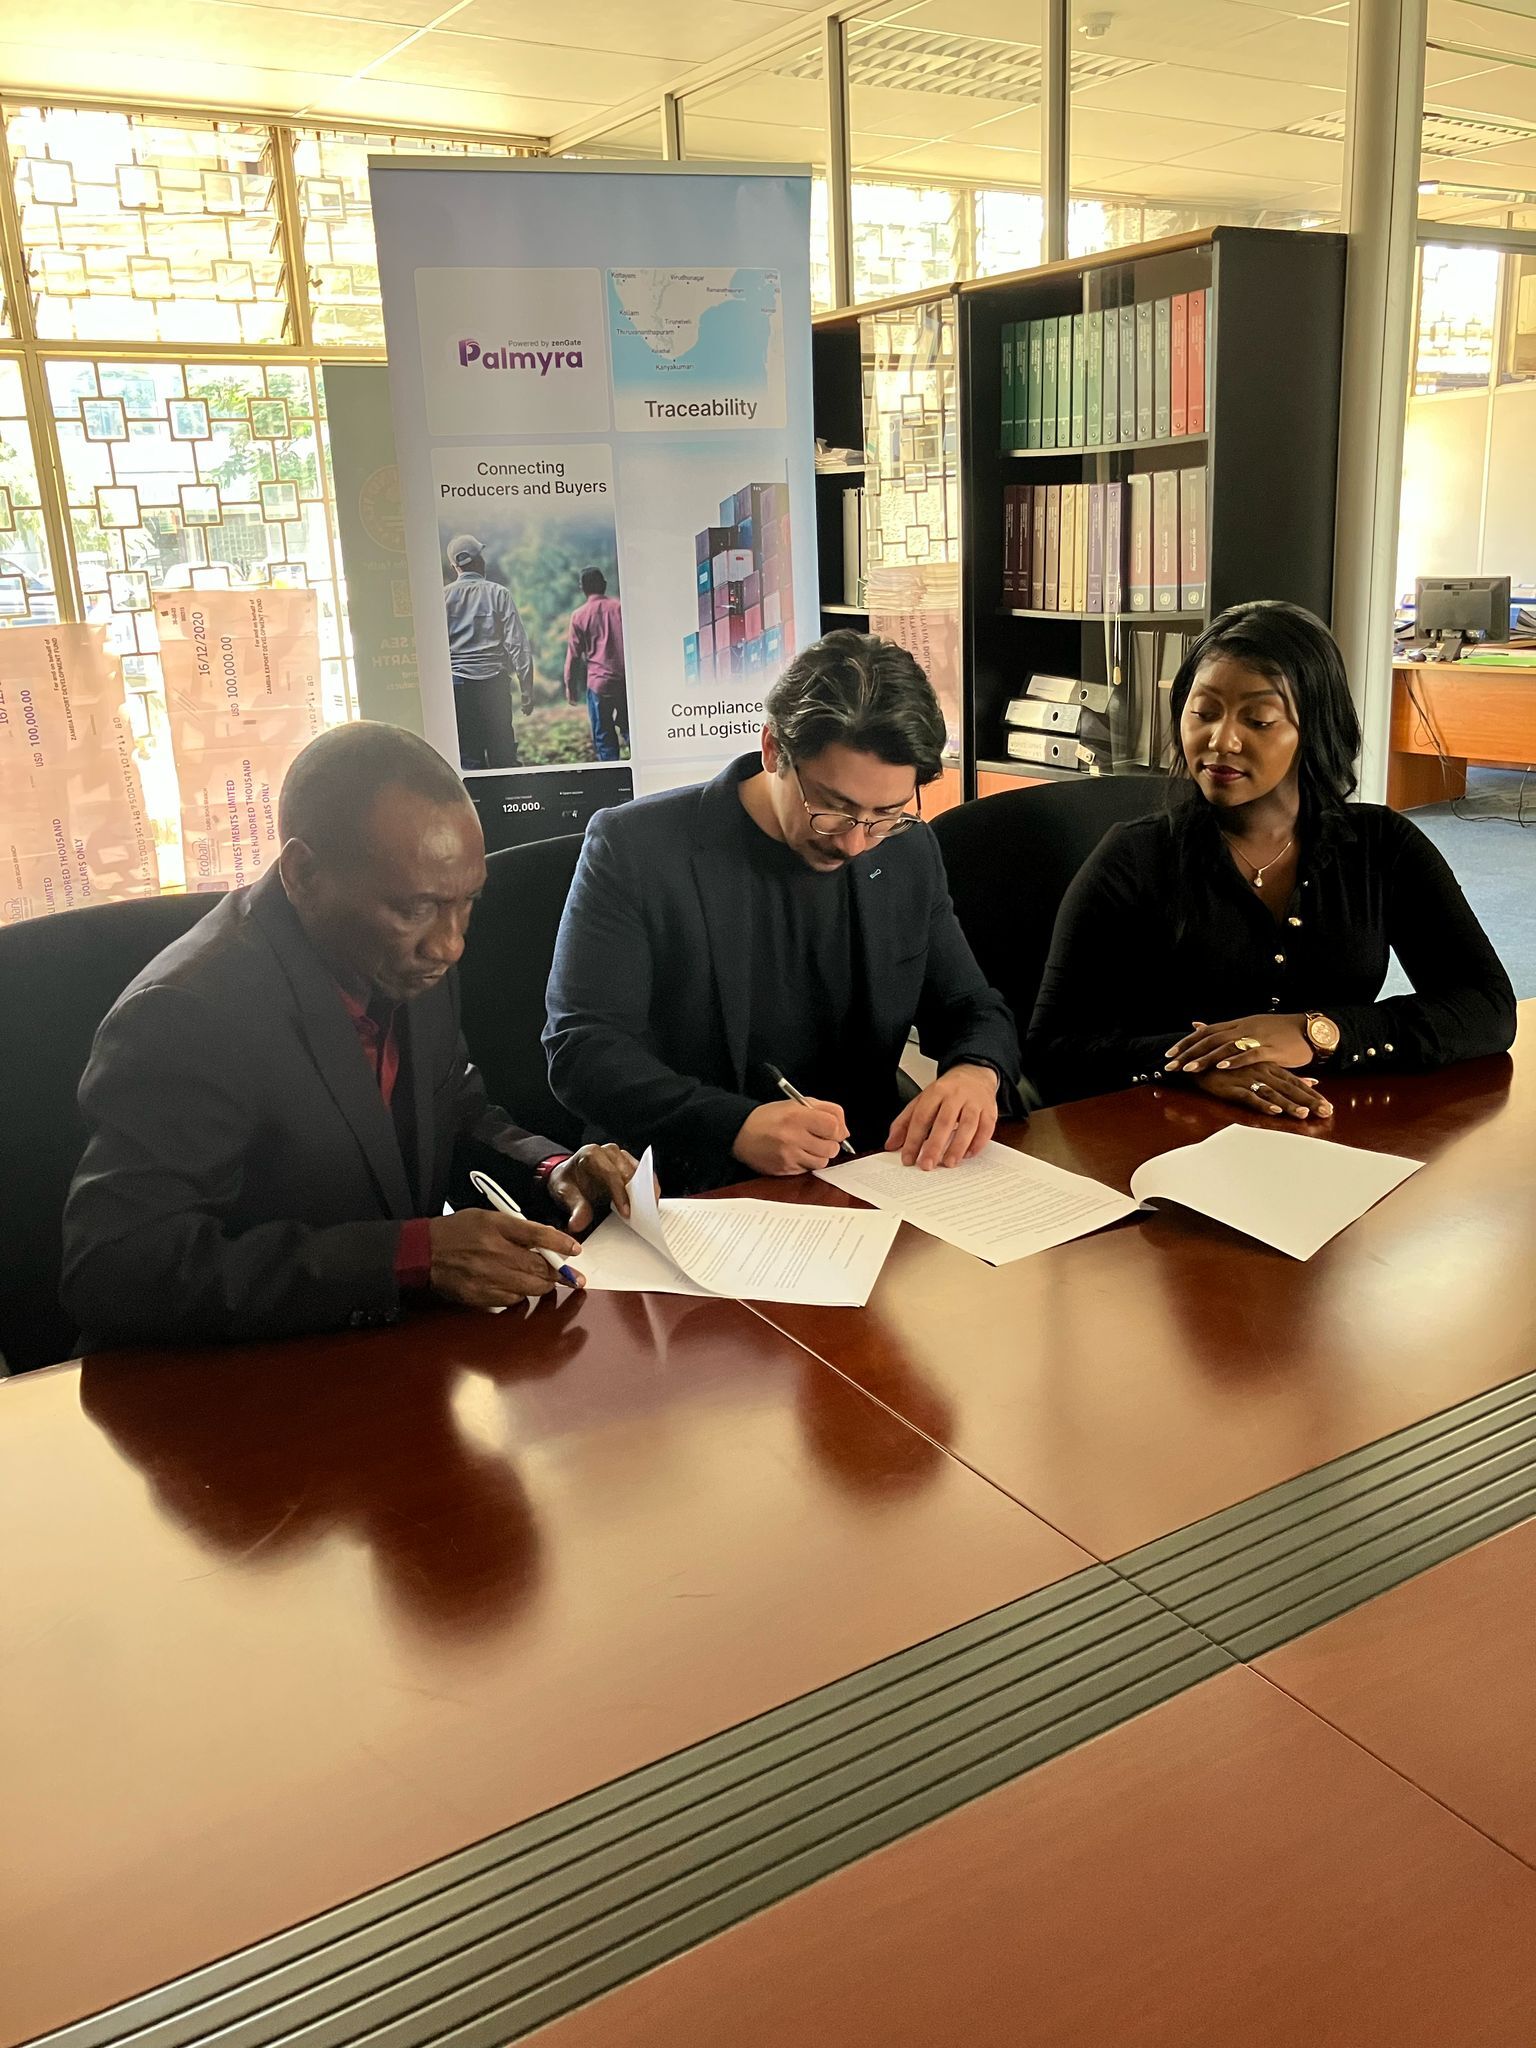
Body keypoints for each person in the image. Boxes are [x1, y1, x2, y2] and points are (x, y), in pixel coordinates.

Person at [62, 723, 636, 1352]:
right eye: (413, 908)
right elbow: (116, 1271)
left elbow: (455, 1113)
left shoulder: (406, 957)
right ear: (304, 873)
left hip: (373, 1358)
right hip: (220, 1387)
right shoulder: (186, 1016)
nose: (450, 944)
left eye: (466, 902)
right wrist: (407, 1257)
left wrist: (550, 1168)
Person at [544, 630, 1020, 1194]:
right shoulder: (637, 849)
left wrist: (975, 1072)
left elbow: (972, 1007)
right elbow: (583, 1048)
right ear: (774, 750)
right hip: (693, 1186)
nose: (855, 843)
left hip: (865, 1176)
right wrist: (735, 1125)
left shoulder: (906, 850)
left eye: (887, 813)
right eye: (834, 808)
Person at [1026, 600, 1516, 1118]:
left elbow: (1487, 1008)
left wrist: (1318, 1032)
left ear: (1314, 728)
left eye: (1258, 720)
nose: (1221, 740)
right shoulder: (1133, 859)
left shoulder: (1380, 845)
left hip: (1330, 1131)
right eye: (1204, 712)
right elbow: (1051, 1050)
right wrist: (1195, 1065)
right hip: (1168, 1137)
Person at [443, 533, 532, 771]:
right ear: (479, 560)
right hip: (494, 685)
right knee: (502, 755)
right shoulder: (499, 593)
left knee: (469, 758)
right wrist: (527, 690)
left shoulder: (443, 598)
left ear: (455, 567)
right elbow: (518, 645)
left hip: (458, 686)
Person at [565, 566, 628, 763]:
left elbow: (574, 656)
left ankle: (614, 779)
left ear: (582, 588)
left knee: (603, 737)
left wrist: (570, 686)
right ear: (604, 585)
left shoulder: (579, 615)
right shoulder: (620, 607)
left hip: (598, 684)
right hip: (625, 681)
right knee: (632, 730)